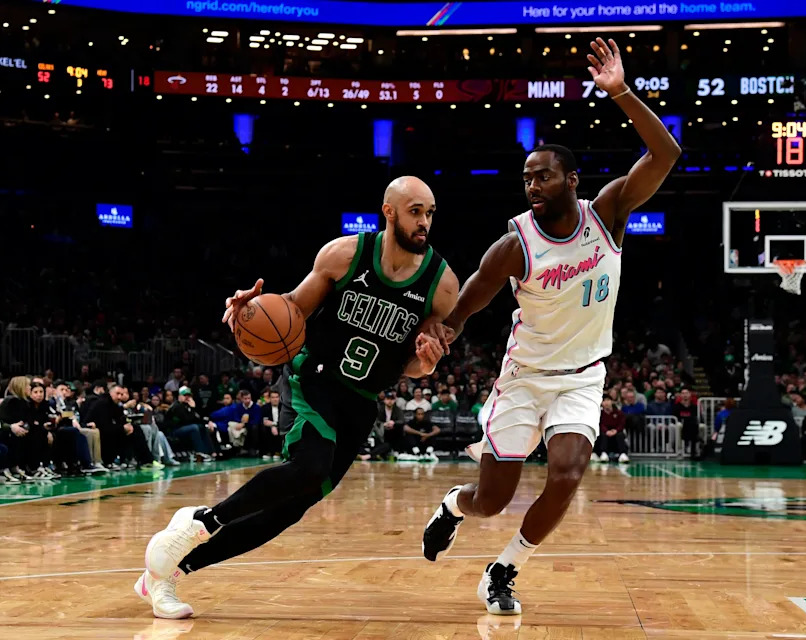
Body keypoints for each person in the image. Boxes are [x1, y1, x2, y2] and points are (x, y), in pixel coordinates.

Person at [421, 38, 679, 615]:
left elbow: (665, 155)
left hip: (582, 377)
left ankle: (505, 567)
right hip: (525, 376)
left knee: (567, 473)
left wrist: (621, 93)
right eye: (527, 178)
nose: (533, 185)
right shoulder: (516, 245)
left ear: (572, 181)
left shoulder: (608, 213)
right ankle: (451, 507)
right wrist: (441, 335)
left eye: (544, 176)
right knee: (489, 501)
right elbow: (468, 305)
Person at [137, 176, 458, 619]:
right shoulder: (345, 254)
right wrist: (250, 309)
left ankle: (167, 574)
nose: (424, 222)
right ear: (389, 212)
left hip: (361, 400)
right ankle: (199, 524)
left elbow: (413, 363)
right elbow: (291, 309)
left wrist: (427, 364)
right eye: (415, 211)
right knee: (310, 464)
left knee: (289, 510)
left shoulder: (442, 285)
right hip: (314, 379)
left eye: (430, 213)